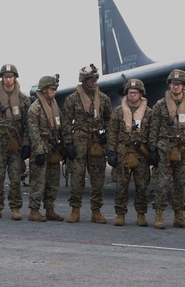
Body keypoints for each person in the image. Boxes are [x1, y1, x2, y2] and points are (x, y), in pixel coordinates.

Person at [147, 68, 185, 229]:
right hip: (165, 148)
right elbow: (154, 128)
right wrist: (152, 149)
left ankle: (179, 215)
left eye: (179, 84)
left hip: (184, 149)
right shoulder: (160, 105)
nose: (176, 86)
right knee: (162, 183)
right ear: (169, 85)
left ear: (184, 86)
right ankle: (159, 215)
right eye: (173, 83)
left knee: (181, 182)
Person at [62, 63, 112, 224]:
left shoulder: (103, 99)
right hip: (79, 141)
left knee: (98, 177)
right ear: (83, 81)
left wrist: (107, 135)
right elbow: (66, 122)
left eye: (95, 79)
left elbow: (109, 120)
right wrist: (68, 143)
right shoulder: (72, 99)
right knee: (77, 176)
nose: (94, 82)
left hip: (97, 142)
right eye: (90, 79)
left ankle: (96, 211)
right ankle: (75, 209)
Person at [0, 64, 31, 220]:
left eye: (11, 76)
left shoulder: (24, 100)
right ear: (2, 78)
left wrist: (26, 144)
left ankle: (15, 207)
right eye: (5, 76)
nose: (8, 79)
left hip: (16, 142)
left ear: (15, 78)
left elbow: (27, 124)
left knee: (16, 176)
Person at [107, 78, 152, 226]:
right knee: (121, 185)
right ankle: (120, 214)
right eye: (130, 93)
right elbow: (112, 133)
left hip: (141, 153)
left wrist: (153, 153)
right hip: (123, 152)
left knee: (142, 185)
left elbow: (153, 133)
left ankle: (141, 214)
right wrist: (111, 152)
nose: (132, 95)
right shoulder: (119, 112)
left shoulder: (149, 113)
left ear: (141, 94)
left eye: (135, 93)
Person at [27, 75, 65, 222]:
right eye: (51, 89)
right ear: (43, 90)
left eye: (55, 89)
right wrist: (38, 151)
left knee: (53, 181)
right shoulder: (35, 109)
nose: (54, 91)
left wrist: (63, 146)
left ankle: (50, 209)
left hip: (53, 148)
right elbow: (33, 132)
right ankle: (34, 210)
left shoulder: (55, 106)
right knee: (38, 181)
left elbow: (60, 127)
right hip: (41, 148)